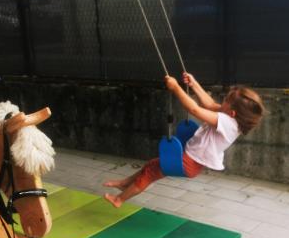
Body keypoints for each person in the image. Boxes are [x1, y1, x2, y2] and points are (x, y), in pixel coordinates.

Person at [103, 72, 265, 208]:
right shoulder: (231, 118)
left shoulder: (228, 123)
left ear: (233, 113)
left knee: (150, 173)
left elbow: (193, 109)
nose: (222, 103)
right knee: (152, 164)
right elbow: (209, 104)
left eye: (226, 101)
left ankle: (119, 199)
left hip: (188, 163)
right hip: (190, 160)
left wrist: (176, 88)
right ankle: (125, 183)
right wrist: (194, 84)